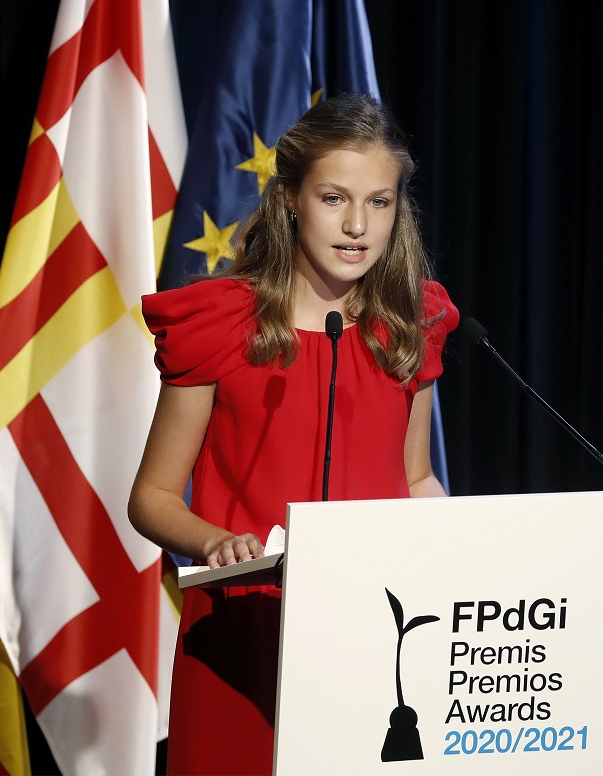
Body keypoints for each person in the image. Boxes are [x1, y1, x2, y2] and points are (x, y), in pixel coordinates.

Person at [128, 91, 459, 775]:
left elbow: (417, 477)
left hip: (372, 639)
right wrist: (215, 540)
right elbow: (153, 495)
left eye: (380, 202)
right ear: (290, 199)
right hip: (246, 635)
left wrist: (468, 556)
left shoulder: (410, 326)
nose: (358, 225)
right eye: (335, 198)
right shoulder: (223, 325)